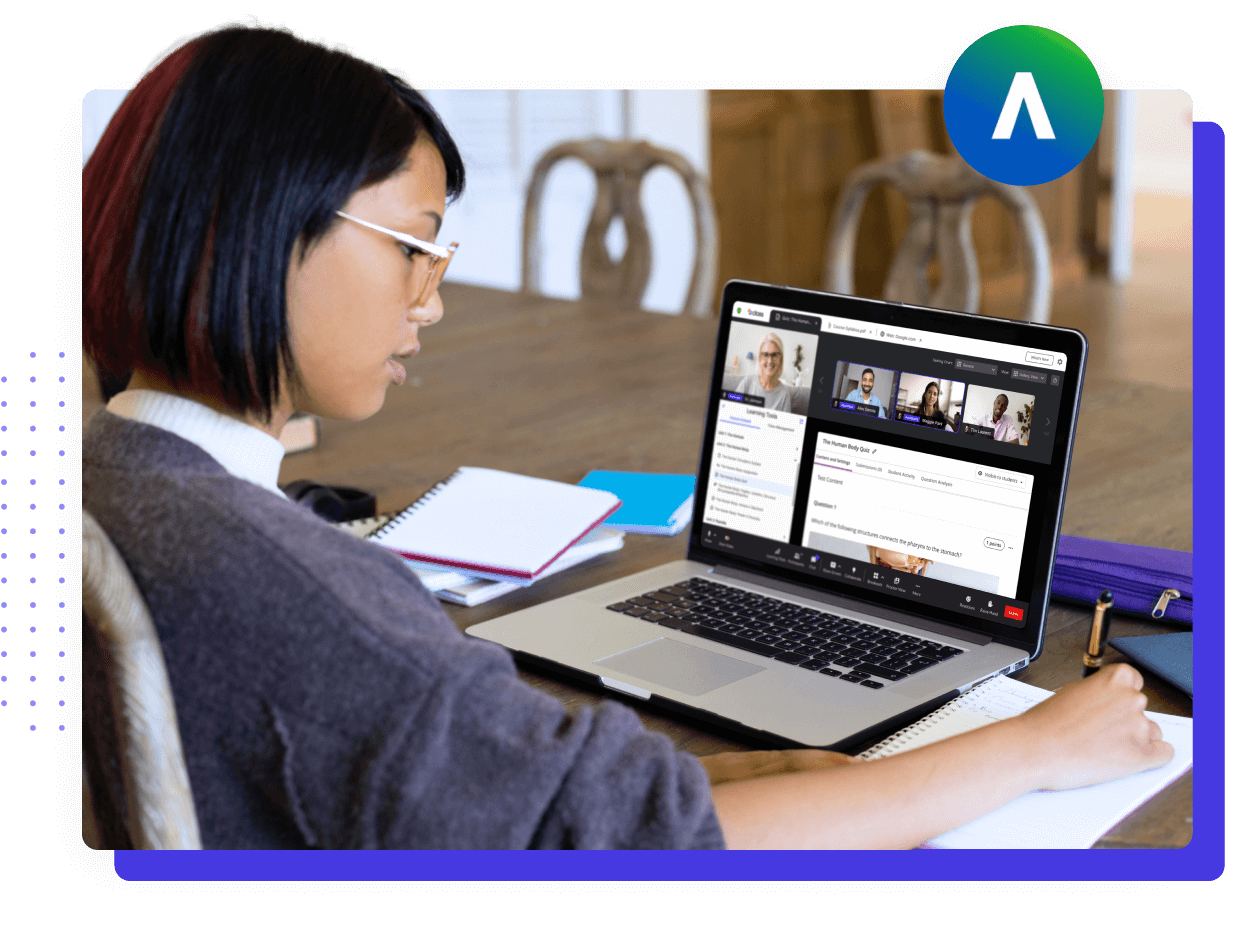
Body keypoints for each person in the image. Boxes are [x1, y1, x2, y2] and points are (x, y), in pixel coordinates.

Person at [81, 21, 1173, 850]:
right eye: (414, 246)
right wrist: (1034, 747)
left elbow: (593, 787)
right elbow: (661, 842)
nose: (433, 299)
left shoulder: (115, 473)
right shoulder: (311, 600)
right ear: (257, 232)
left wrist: (758, 776)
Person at [731, 332, 793, 411]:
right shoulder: (747, 382)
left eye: (774, 355)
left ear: (780, 360)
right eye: (766, 355)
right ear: (760, 358)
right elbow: (732, 411)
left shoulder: (784, 394)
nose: (770, 361)